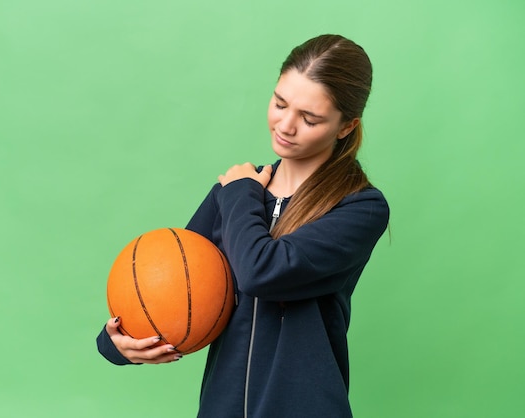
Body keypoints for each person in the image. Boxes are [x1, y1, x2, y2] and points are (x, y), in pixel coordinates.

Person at [96, 34, 390, 417]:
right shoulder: (235, 192)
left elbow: (262, 272)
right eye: (280, 103)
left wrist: (239, 193)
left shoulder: (359, 208)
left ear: (346, 127)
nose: (285, 124)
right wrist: (117, 343)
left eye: (310, 118)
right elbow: (171, 287)